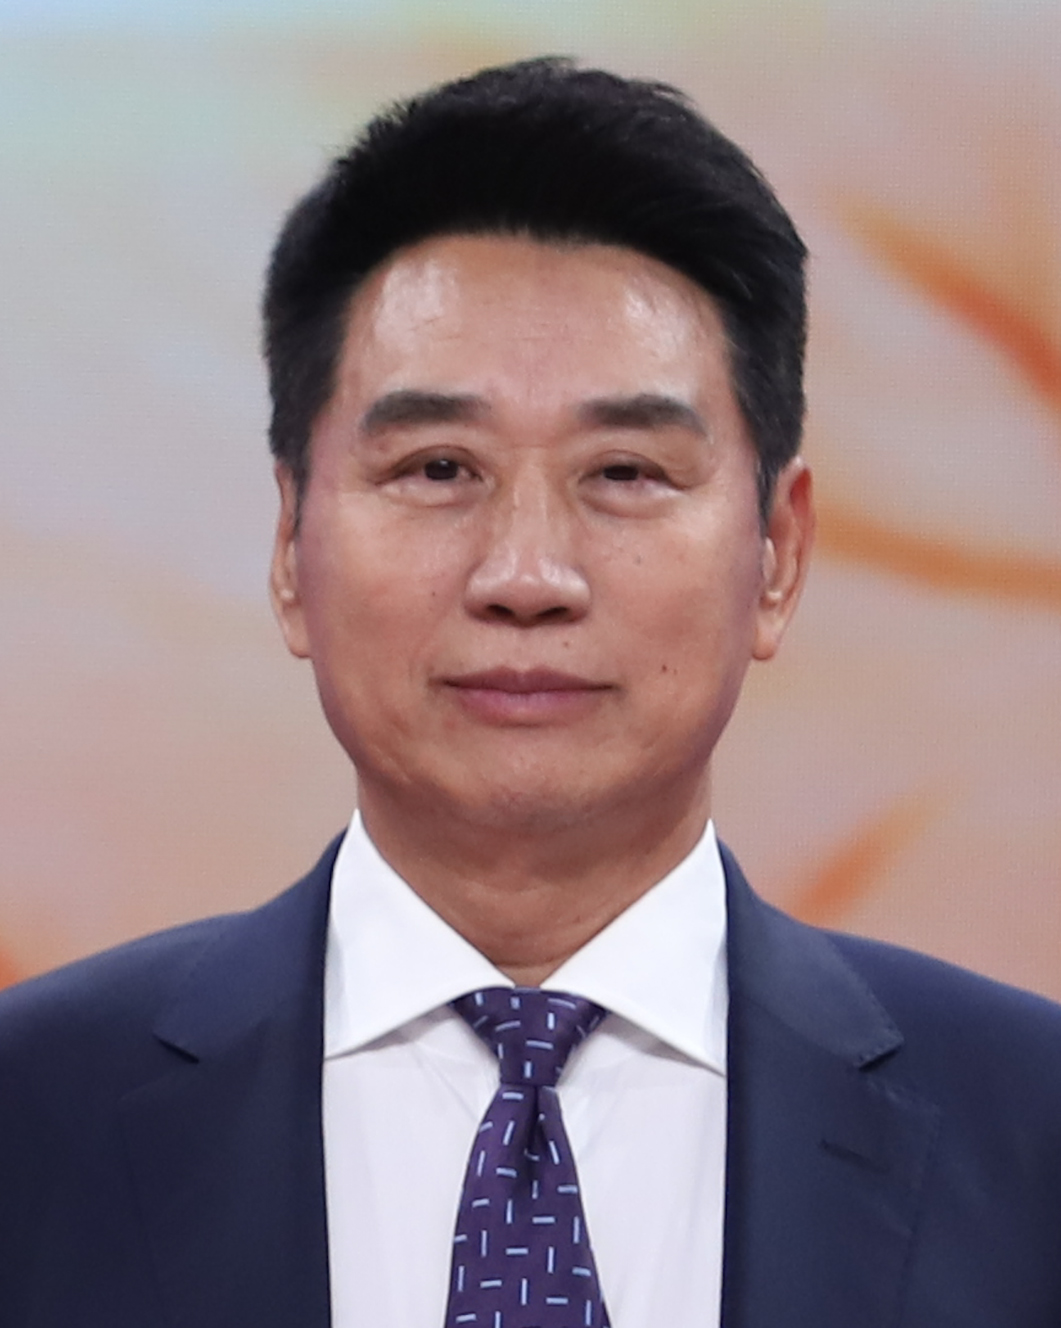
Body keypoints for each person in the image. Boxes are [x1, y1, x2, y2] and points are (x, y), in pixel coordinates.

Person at [1, 57, 1059, 1328]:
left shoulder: (1028, 1128)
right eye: (437, 467)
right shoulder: (31, 1112)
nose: (525, 576)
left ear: (776, 554)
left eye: (624, 472)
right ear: (289, 547)